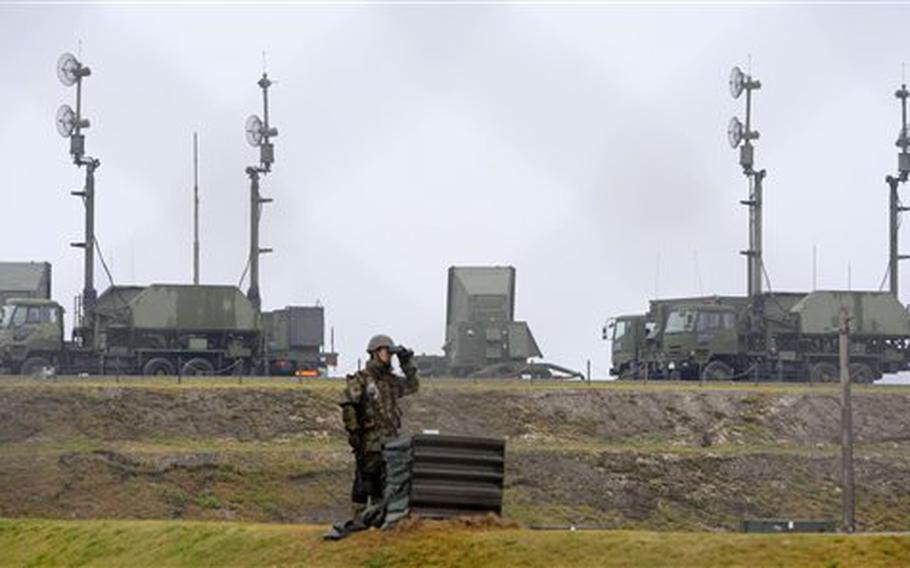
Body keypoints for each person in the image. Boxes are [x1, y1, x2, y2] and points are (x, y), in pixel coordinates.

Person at [323, 334, 419, 540]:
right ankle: (359, 520)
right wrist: (355, 433)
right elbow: (348, 404)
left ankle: (379, 520)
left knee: (388, 483)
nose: (389, 357)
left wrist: (407, 362)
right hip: (370, 441)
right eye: (387, 352)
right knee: (365, 481)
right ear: (376, 352)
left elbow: (413, 386)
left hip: (391, 441)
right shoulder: (362, 379)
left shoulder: (391, 382)